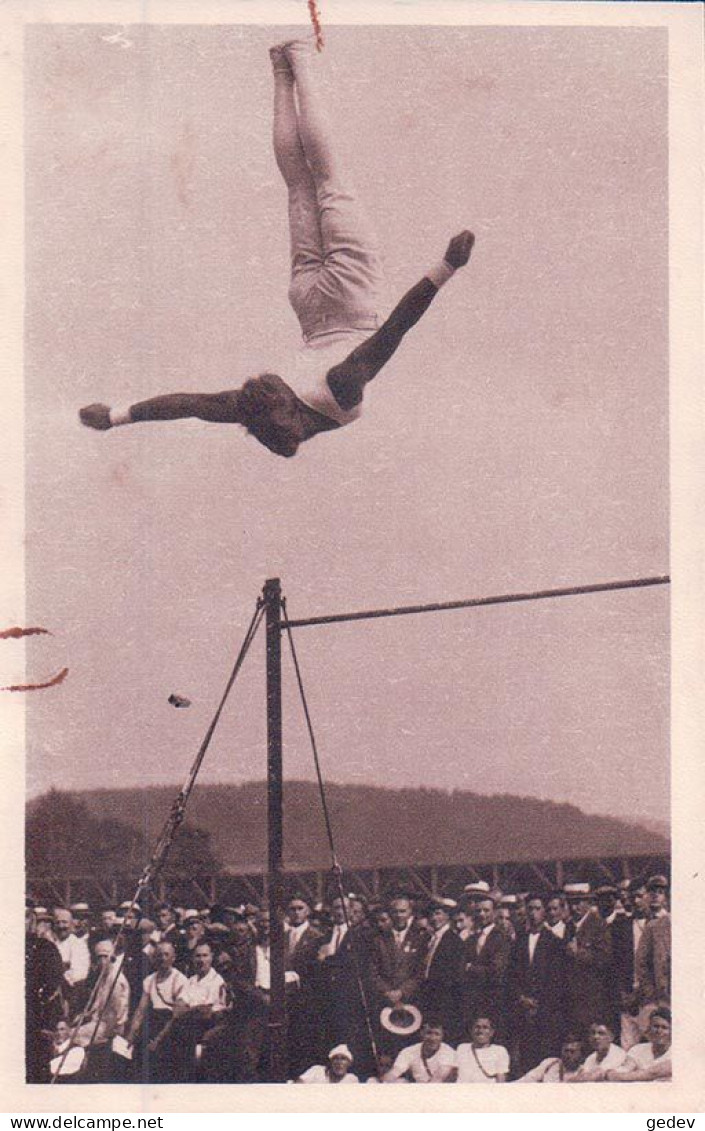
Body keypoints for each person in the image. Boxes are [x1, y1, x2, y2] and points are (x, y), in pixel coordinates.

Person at [79, 37, 474, 459]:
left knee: (328, 178)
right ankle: (281, 66)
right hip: (307, 302)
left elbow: (396, 328)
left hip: (350, 297)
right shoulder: (290, 398)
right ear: (283, 411)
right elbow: (190, 405)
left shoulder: (333, 391)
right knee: (301, 185)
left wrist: (448, 266)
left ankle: (298, 55)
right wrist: (115, 416)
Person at [604, 1007, 672, 1082]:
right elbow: (624, 1069)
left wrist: (615, 1076)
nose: (659, 1031)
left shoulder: (678, 1053)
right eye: (656, 1026)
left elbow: (652, 1073)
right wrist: (610, 1073)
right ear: (649, 1028)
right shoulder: (637, 1050)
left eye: (664, 1028)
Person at [384, 1020, 457, 1083]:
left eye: (437, 1034)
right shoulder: (408, 1051)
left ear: (442, 1036)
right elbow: (395, 1072)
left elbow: (438, 1078)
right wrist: (382, 1084)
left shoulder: (448, 1052)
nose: (432, 1038)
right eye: (429, 1033)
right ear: (422, 1034)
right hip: (419, 1088)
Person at [455, 1016, 510, 1083]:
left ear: (491, 1032)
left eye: (485, 1027)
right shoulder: (462, 1048)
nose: (480, 1031)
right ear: (471, 1030)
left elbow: (501, 1079)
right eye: (477, 1027)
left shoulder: (499, 1051)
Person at [514, 1032, 586, 1083]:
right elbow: (526, 1080)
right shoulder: (550, 1063)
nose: (568, 1055)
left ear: (580, 1054)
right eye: (566, 1051)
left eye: (572, 1052)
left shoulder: (585, 1071)